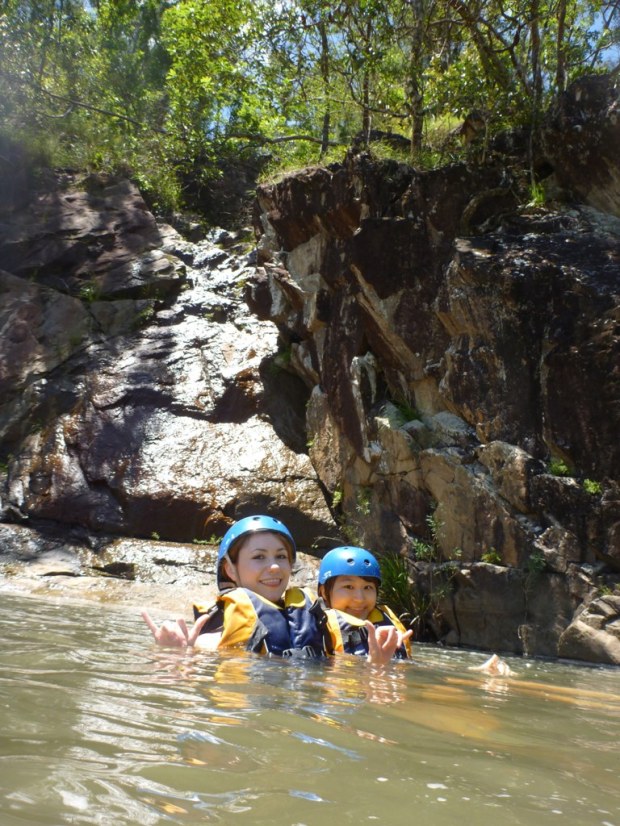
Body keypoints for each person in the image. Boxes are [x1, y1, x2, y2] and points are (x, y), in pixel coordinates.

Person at [142, 515, 399, 666]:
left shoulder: (320, 619)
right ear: (230, 570)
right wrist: (173, 654)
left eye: (281, 556)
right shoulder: (208, 635)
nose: (274, 567)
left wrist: (378, 667)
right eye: (259, 557)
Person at [317, 546, 413, 660]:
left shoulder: (388, 628)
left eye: (368, 587)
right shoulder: (315, 630)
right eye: (349, 587)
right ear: (323, 592)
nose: (360, 599)